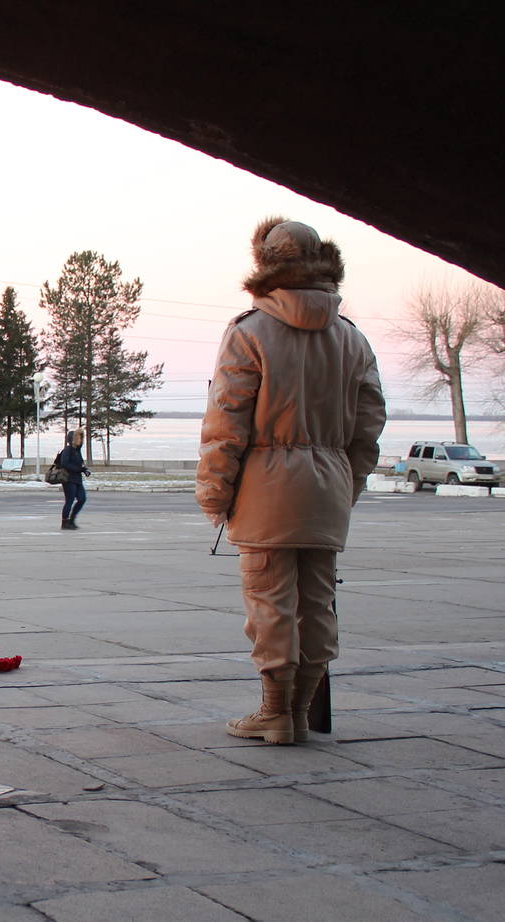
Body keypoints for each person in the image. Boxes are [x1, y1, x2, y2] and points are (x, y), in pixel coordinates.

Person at [198, 216, 386, 746]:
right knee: (317, 602)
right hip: (327, 488)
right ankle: (300, 711)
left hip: (265, 490)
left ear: (266, 263)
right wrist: (347, 485)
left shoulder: (249, 331)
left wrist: (215, 492)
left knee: (269, 601)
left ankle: (276, 711)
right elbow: (369, 425)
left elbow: (225, 424)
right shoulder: (352, 339)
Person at [55, 430, 92, 529]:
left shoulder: (77, 451)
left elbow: (80, 463)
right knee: (69, 501)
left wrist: (85, 470)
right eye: (79, 438)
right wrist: (78, 469)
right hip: (68, 479)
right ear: (73, 439)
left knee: (82, 499)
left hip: (77, 479)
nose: (80, 440)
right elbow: (64, 463)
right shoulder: (68, 450)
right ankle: (65, 522)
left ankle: (72, 520)